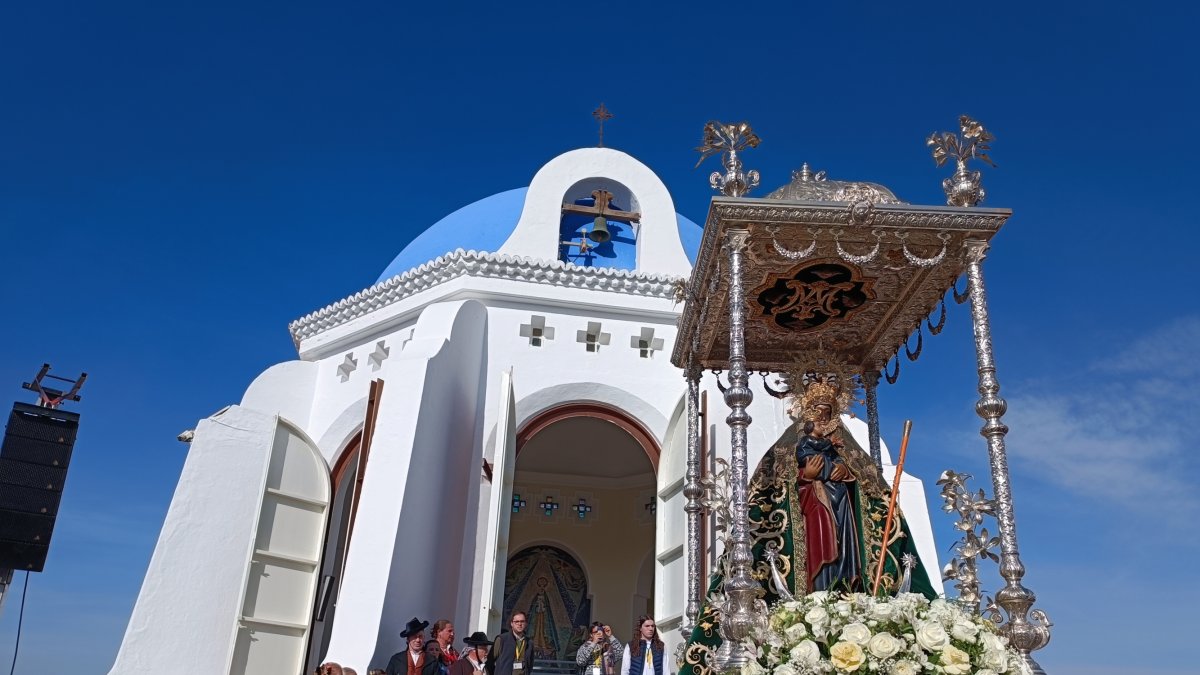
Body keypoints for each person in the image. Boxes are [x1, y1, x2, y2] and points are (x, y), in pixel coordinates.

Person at [677, 372, 938, 675]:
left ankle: (851, 591)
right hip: (812, 511)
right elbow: (773, 487)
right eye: (818, 409)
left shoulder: (846, 445)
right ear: (807, 410)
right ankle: (814, 596)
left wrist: (847, 474)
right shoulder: (792, 443)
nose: (823, 415)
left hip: (843, 512)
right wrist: (808, 477)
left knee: (845, 551)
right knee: (820, 548)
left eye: (828, 409)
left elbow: (868, 485)